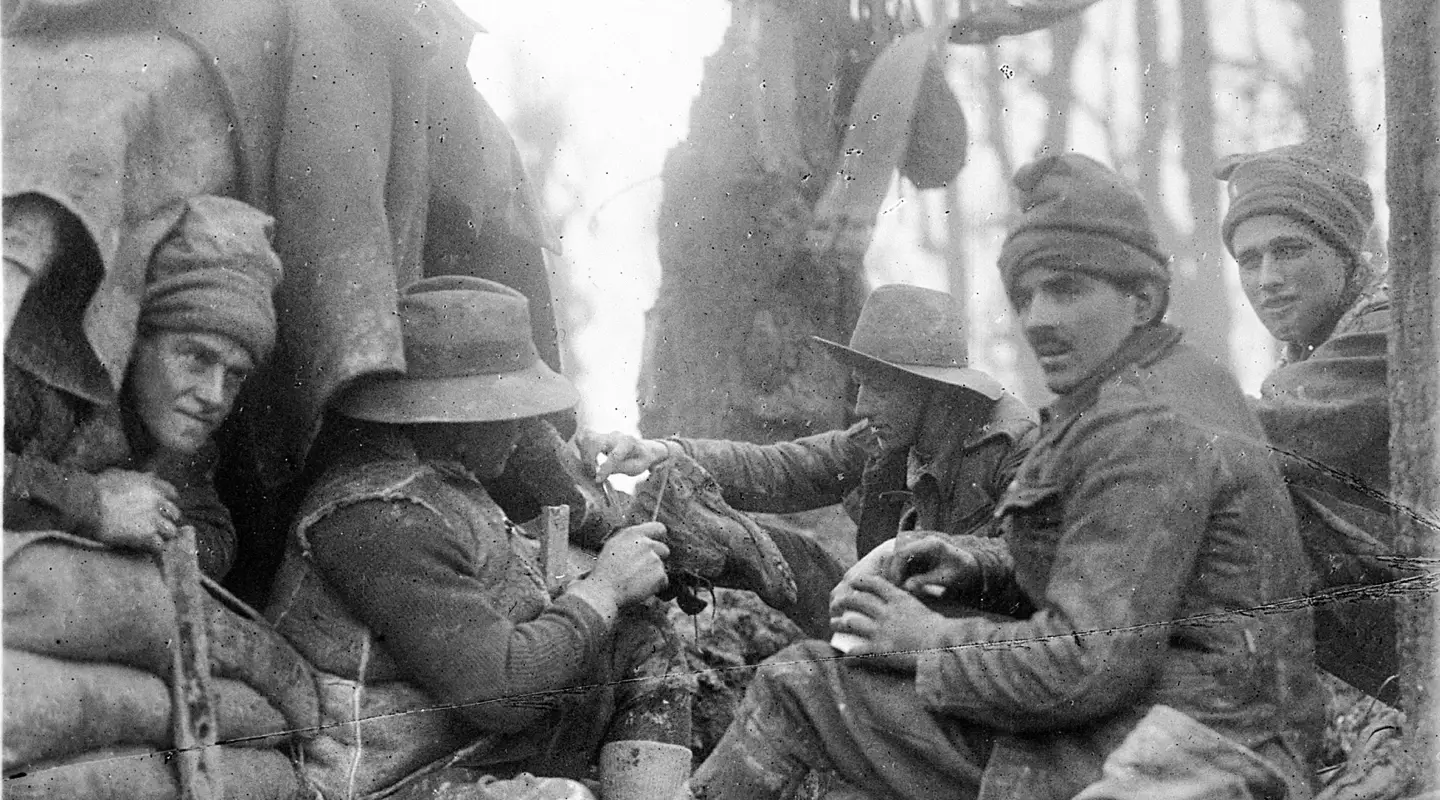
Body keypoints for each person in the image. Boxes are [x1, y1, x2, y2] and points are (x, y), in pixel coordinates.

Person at [690, 154, 1322, 800]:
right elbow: (1116, 586)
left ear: (1142, 299)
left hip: (1186, 747)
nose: (1039, 318)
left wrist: (928, 641)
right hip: (1187, 720)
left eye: (1068, 290)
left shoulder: (1141, 423)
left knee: (801, 686)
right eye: (1026, 295)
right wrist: (974, 566)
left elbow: (1086, 660)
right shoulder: (1149, 388)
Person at [265, 276, 692, 800]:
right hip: (388, 782)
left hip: (469, 752)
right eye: (507, 415)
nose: (521, 432)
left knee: (640, 643)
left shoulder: (440, 474)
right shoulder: (381, 514)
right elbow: (502, 694)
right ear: (452, 414)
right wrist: (602, 590)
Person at [584, 283, 1036, 638]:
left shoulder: (1014, 447)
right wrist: (665, 452)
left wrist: (929, 552)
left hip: (971, 648)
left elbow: (1037, 563)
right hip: (894, 619)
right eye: (859, 386)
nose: (861, 407)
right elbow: (787, 467)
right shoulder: (891, 438)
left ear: (932, 388)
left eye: (878, 389)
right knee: (780, 550)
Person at [4, 195, 282, 579]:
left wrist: (152, 523)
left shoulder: (173, 429)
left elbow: (214, 532)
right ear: (135, 340)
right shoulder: (35, 376)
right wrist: (92, 505)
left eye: (235, 374)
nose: (214, 396)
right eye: (197, 358)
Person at [1215, 145, 1397, 699]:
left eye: (1289, 250)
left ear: (1345, 254)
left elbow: (1274, 427)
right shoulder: (1313, 345)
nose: (1267, 279)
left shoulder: (1398, 319)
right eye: (1249, 261)